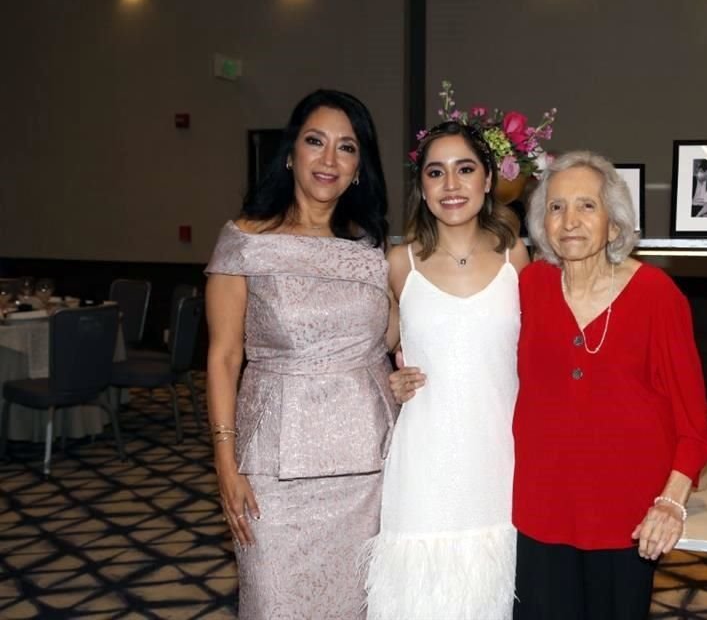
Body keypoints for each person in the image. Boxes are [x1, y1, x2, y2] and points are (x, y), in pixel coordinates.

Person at [204, 88, 397, 619]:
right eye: (316, 142)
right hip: (272, 466)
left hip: (365, 466)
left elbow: (396, 341)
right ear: (291, 154)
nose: (329, 159)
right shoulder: (244, 240)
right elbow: (223, 358)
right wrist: (225, 462)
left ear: (360, 167)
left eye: (347, 147)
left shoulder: (371, 249)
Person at [513, 151, 707, 619]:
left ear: (615, 223)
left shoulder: (657, 296)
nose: (570, 221)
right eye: (556, 207)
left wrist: (670, 502)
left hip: (627, 520)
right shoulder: (529, 287)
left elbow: (694, 427)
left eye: (587, 206)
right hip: (539, 512)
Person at [363, 121, 529, 620]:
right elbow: (370, 351)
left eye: (465, 169)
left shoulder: (517, 259)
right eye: (436, 172)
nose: (451, 185)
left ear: (487, 180)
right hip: (423, 468)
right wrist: (388, 381)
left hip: (498, 462)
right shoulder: (398, 263)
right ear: (422, 186)